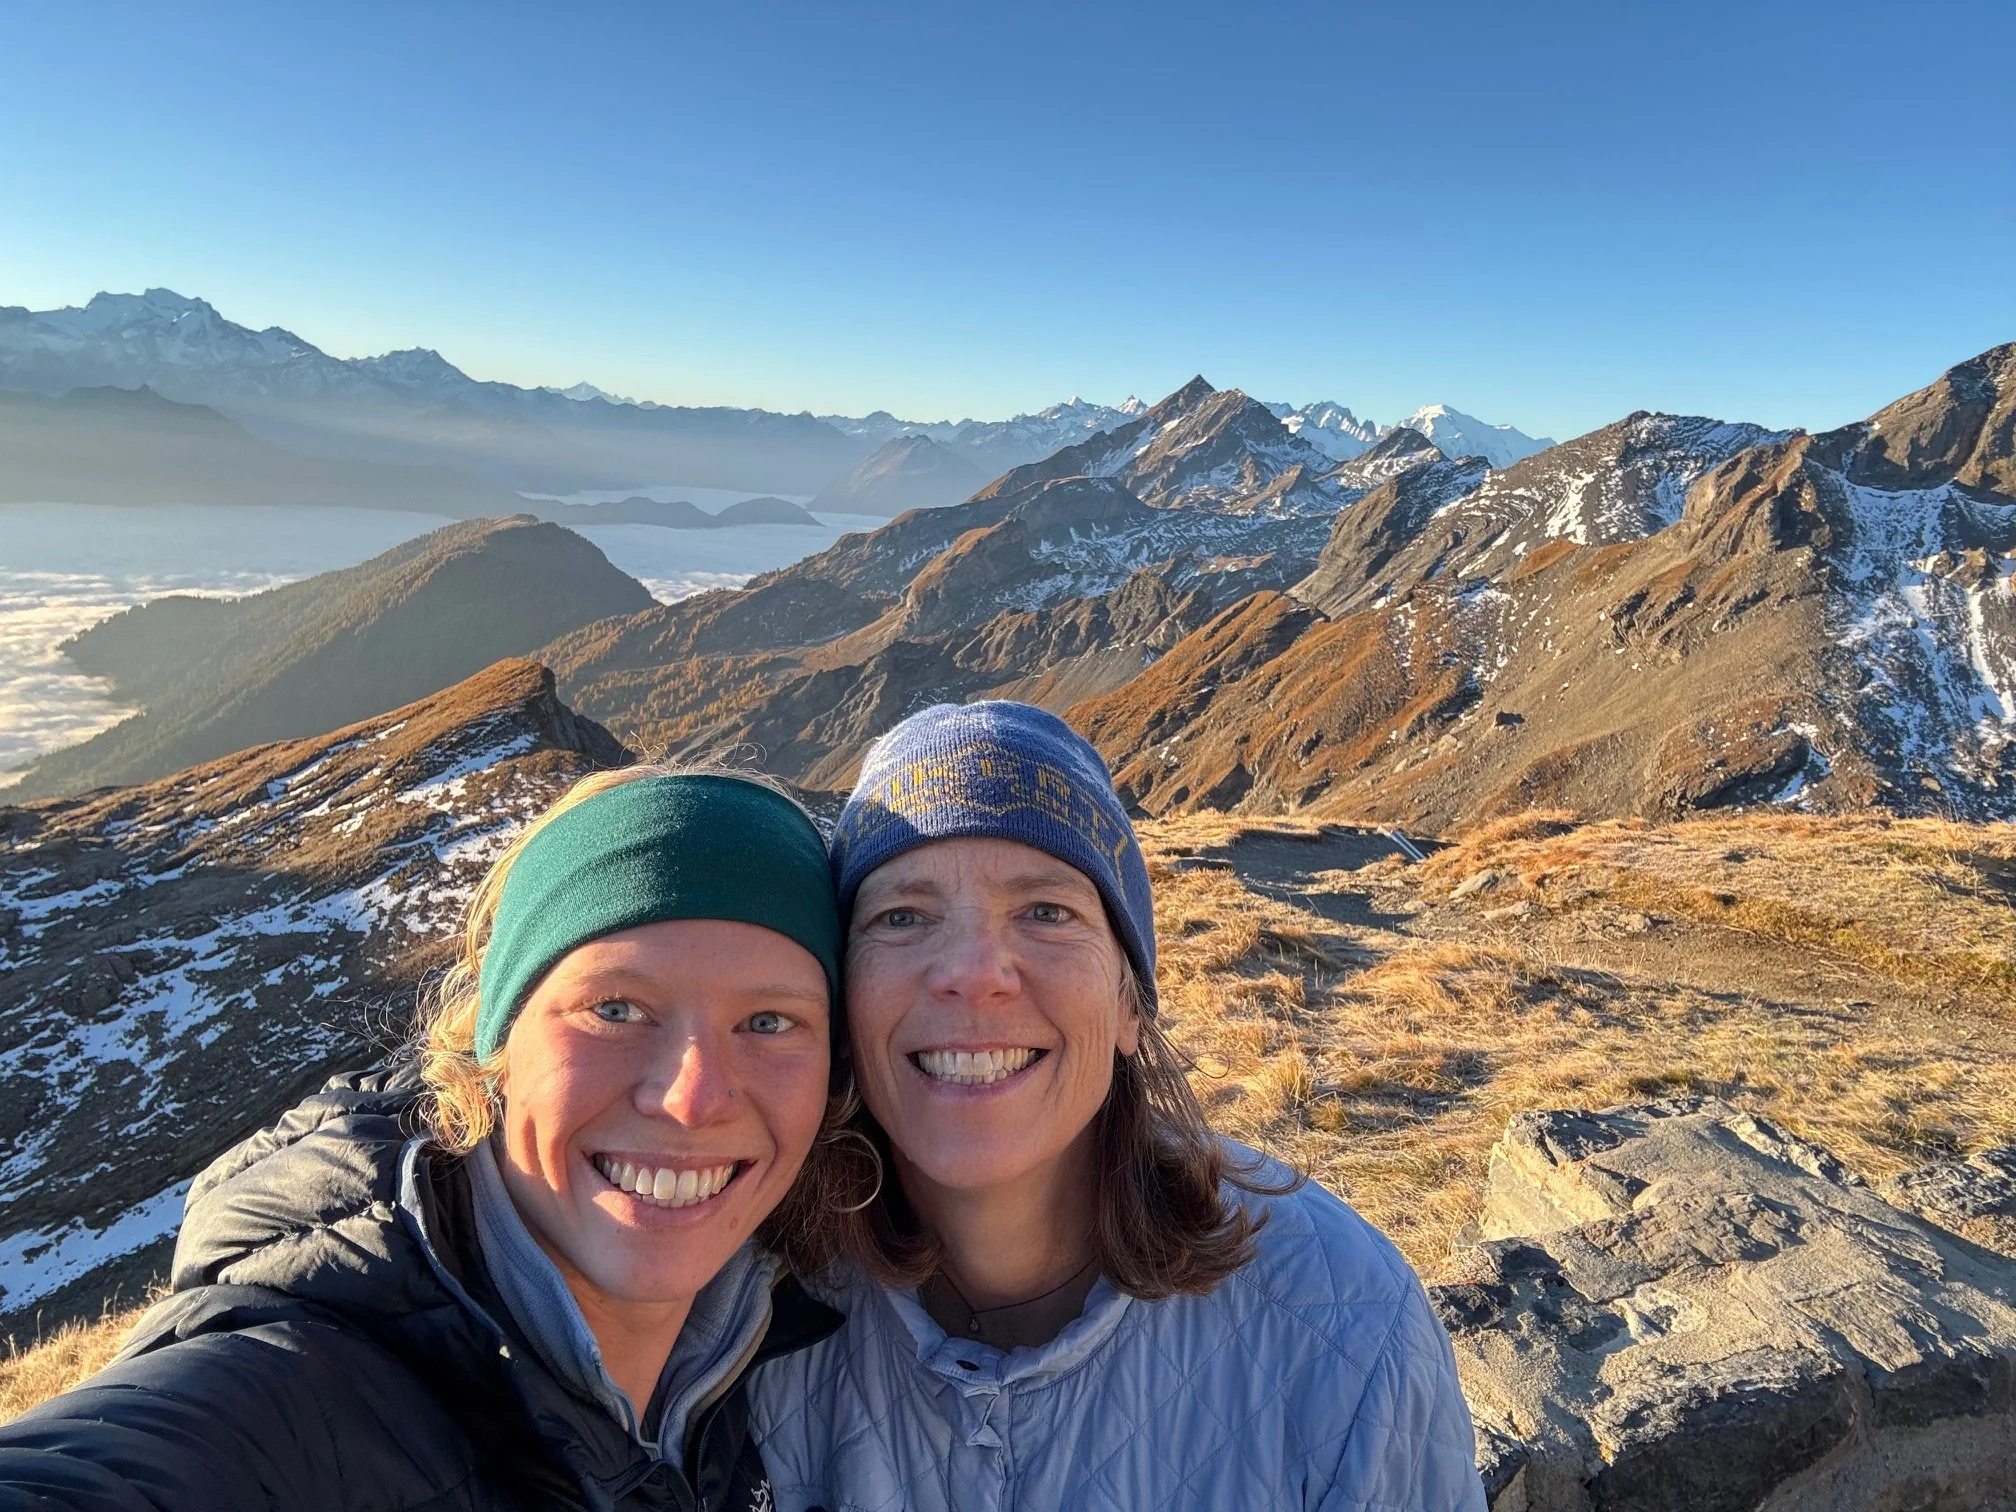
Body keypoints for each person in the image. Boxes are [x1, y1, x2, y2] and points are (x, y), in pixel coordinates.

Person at [0, 767, 851, 1512]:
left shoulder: (761, 1349)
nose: (692, 1096)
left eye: (770, 1021)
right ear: (493, 1041)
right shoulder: (296, 1399)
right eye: (616, 1009)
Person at [747, 702, 1486, 1511]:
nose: (973, 971)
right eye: (901, 916)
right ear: (843, 1004)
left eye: (1046, 911)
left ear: (1132, 1004)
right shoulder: (743, 1308)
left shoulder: (1345, 1328)